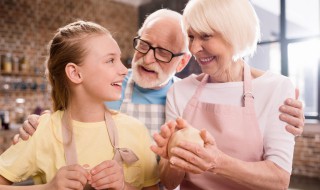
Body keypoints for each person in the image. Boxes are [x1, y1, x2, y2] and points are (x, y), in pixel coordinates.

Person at [13, 9, 304, 145]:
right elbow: (68, 120)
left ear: (182, 63)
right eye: (144, 45)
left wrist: (284, 120)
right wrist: (40, 124)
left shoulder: (188, 96)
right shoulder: (107, 84)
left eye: (163, 52)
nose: (148, 58)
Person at [151, 0, 297, 189]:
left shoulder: (276, 88)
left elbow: (279, 180)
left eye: (205, 36)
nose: (194, 48)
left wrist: (217, 163)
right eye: (191, 36)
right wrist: (174, 158)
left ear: (234, 33)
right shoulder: (179, 92)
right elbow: (170, 184)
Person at [0, 21, 159, 190]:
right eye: (110, 60)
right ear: (75, 73)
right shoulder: (42, 131)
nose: (123, 69)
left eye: (119, 59)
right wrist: (48, 188)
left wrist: (124, 186)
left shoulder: (136, 130)